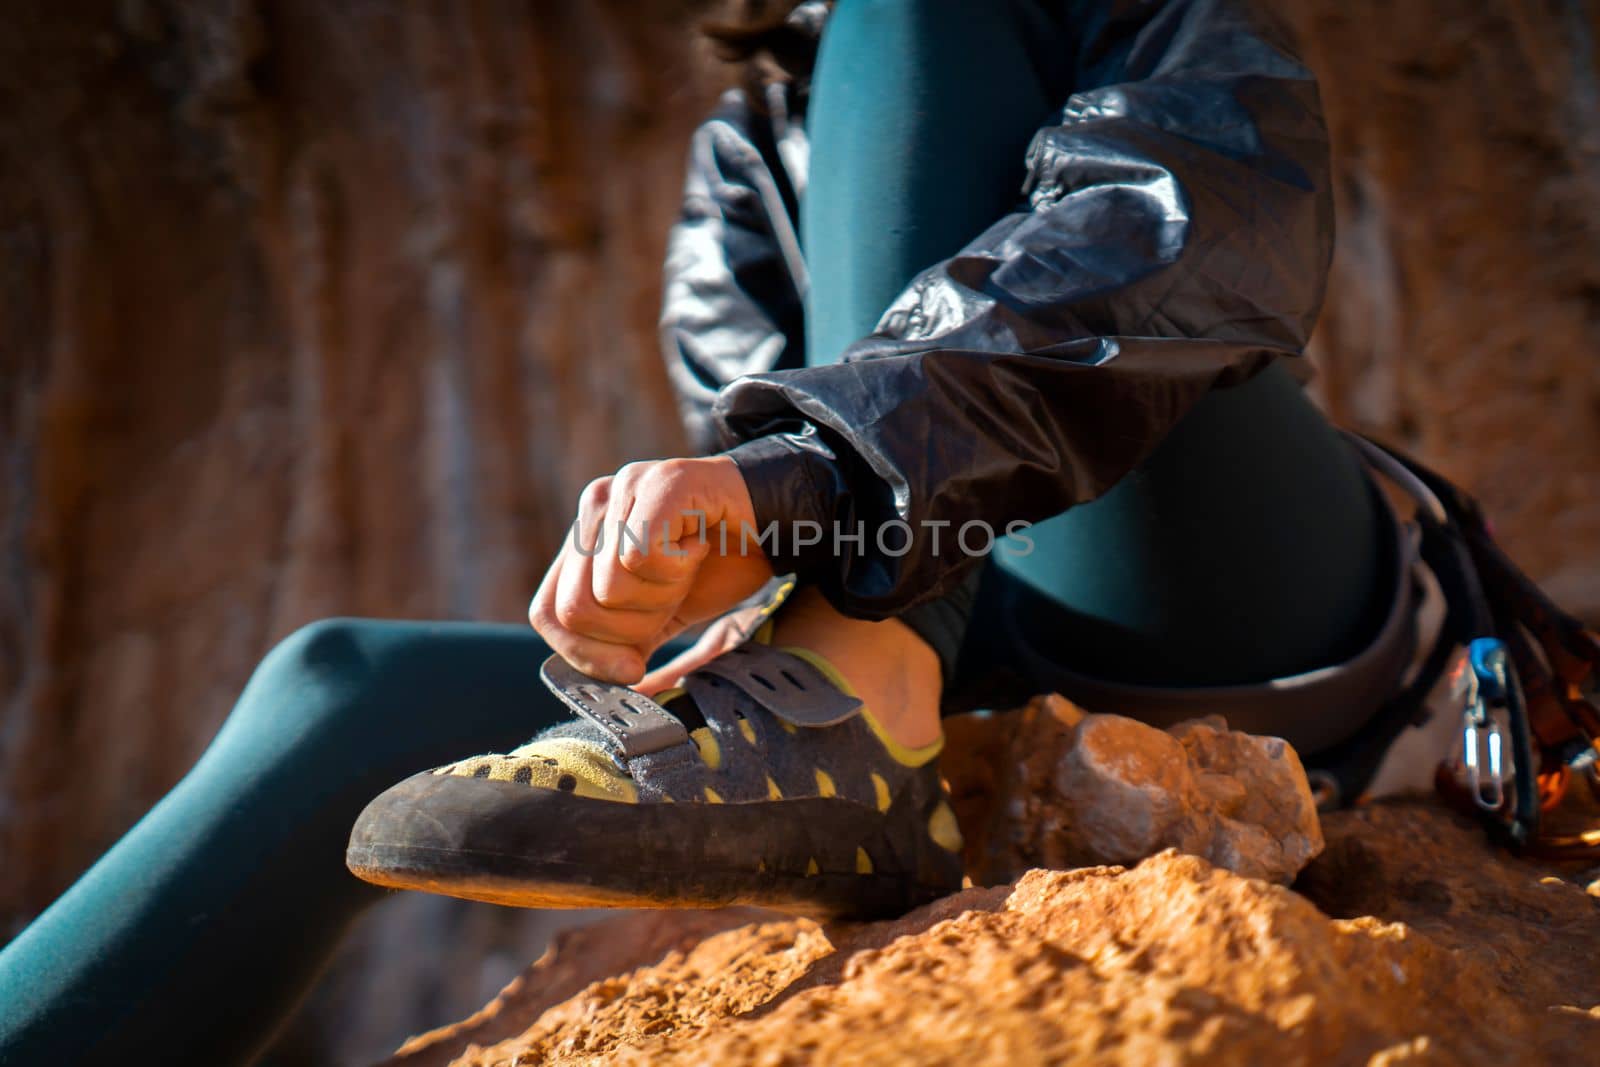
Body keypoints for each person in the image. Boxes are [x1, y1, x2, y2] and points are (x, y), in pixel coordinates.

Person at [0, 1, 1414, 1062]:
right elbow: (748, 455)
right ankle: (858, 725)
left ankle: (862, 708)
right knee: (342, 691)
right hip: (953, 627)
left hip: (1220, 596)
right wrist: (686, 576)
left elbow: (1205, 233)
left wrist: (806, 481)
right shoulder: (751, 152)